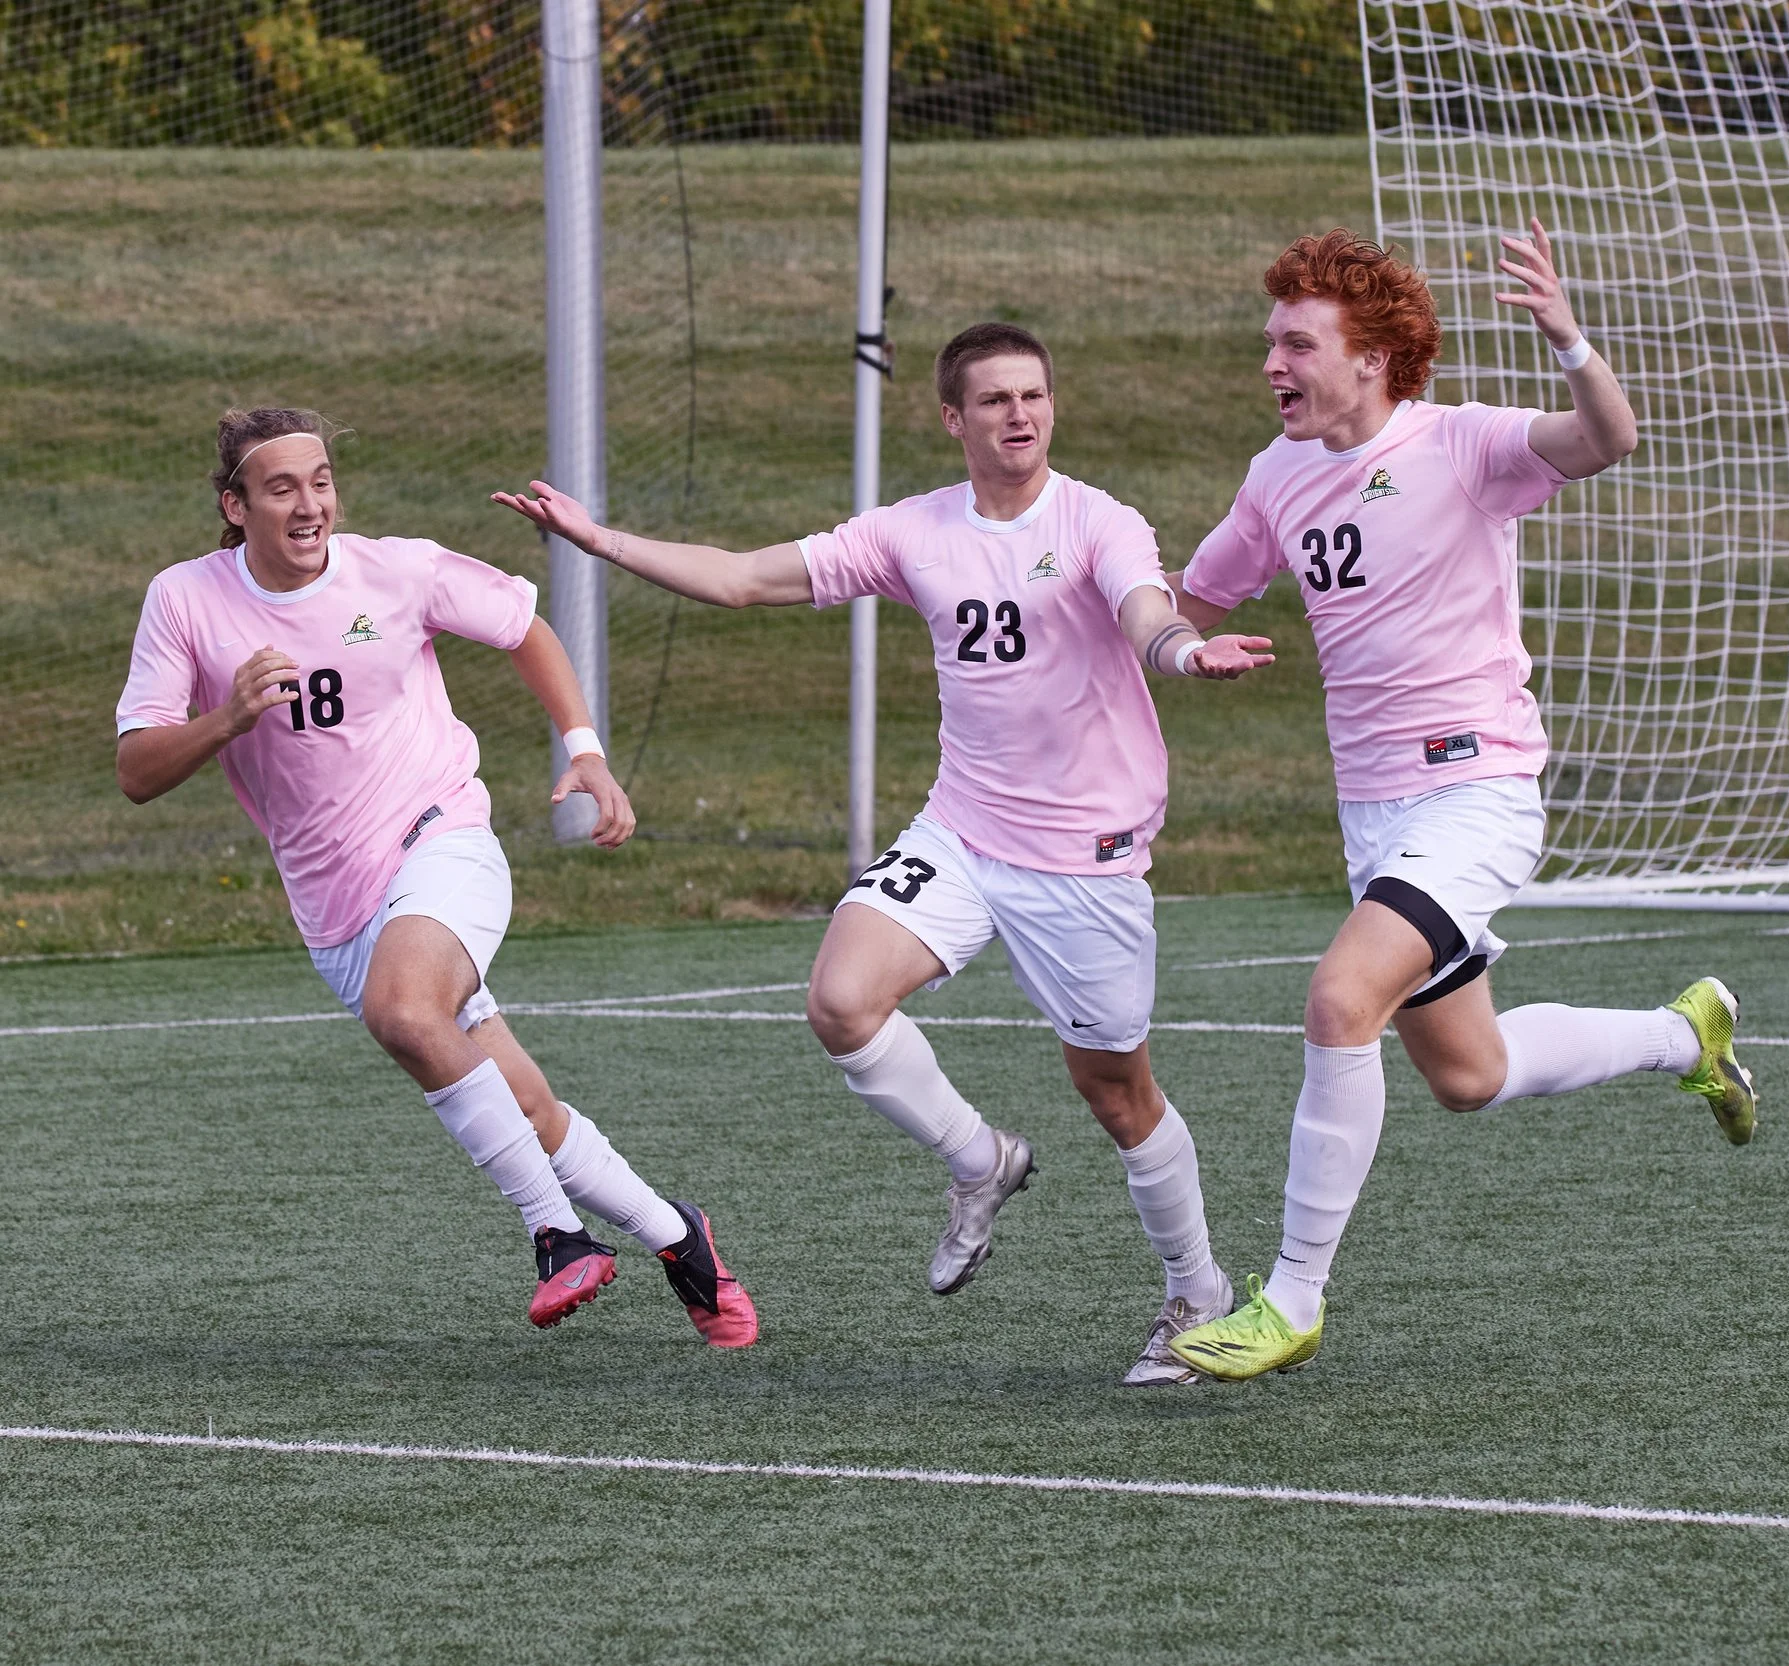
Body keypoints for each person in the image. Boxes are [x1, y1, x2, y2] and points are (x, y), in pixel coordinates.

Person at [495, 322, 1274, 1386]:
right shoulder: (916, 531)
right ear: (953, 418)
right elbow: (742, 579)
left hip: (1085, 857)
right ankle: (979, 1160)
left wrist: (1181, 650)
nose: (1020, 415)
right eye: (994, 400)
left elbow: (1147, 607)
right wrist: (602, 541)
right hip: (962, 830)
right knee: (841, 999)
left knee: (1114, 1090)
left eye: (1034, 396)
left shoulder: (1098, 519)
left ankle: (1195, 1288)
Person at [1162, 226, 1756, 1383]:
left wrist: (1569, 340)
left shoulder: (1463, 445)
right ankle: (1687, 1034)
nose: (1272, 363)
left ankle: (1287, 1299)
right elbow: (1196, 588)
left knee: (1341, 1001)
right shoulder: (1276, 475)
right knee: (1467, 1074)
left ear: (1372, 357)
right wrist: (1177, 642)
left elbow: (1605, 436)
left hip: (1476, 790)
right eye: (1268, 343)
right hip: (1376, 817)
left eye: (1297, 342)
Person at [115, 407, 757, 1344]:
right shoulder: (184, 599)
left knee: (406, 1010)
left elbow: (523, 627)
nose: (309, 504)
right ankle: (679, 1237)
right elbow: (136, 771)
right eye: (282, 487)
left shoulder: (398, 568)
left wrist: (586, 749)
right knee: (528, 1110)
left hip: (441, 839)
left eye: (321, 481)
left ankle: (557, 1235)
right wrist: (225, 719)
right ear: (235, 504)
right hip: (335, 913)